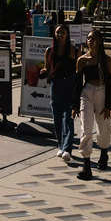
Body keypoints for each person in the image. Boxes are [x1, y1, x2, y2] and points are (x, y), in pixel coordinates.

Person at [73, 30, 111, 180]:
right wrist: (75, 105)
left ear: (100, 41)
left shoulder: (107, 60)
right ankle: (86, 165)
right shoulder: (82, 60)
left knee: (103, 126)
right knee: (86, 128)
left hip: (102, 91)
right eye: (89, 38)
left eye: (94, 38)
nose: (91, 41)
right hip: (87, 92)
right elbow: (77, 83)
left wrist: (109, 105)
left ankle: (104, 153)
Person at [40, 24, 77, 163]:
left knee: (68, 117)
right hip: (55, 85)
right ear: (54, 34)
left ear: (67, 34)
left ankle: (67, 149)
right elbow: (47, 68)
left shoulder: (72, 50)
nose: (60, 34)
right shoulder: (49, 51)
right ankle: (60, 145)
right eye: (58, 32)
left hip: (69, 84)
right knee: (57, 117)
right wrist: (43, 72)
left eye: (63, 32)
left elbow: (78, 70)